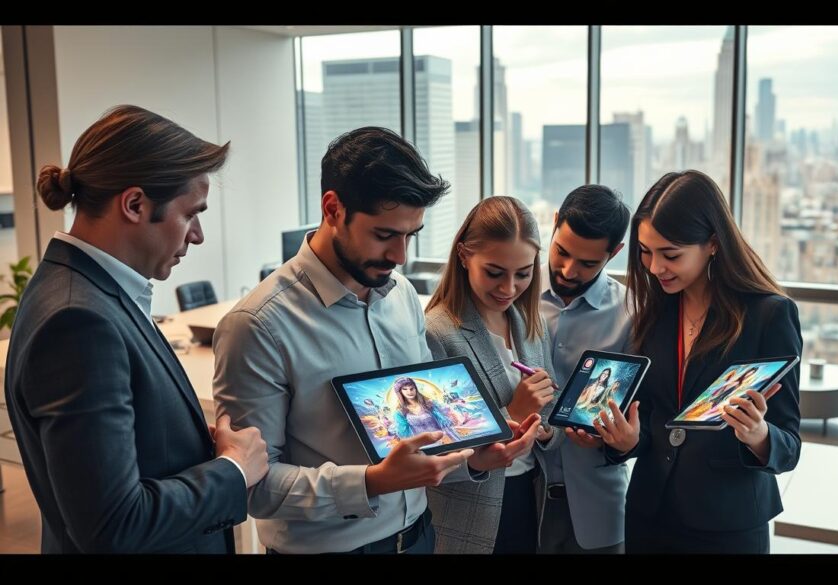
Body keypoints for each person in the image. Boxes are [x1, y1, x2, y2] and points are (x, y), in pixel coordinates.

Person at [4, 105, 268, 553]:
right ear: (134, 204)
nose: (198, 235)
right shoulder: (78, 320)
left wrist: (191, 447)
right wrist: (234, 469)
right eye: (191, 213)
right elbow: (112, 525)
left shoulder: (81, 289)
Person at [213, 127, 484, 554]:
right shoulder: (257, 324)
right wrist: (371, 482)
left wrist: (479, 457)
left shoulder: (404, 298)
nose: (400, 256)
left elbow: (421, 434)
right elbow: (253, 486)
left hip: (419, 537)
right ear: (333, 208)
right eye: (384, 235)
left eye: (410, 235)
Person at [597, 170, 802, 554]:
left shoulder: (770, 315)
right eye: (646, 252)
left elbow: (789, 444)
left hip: (727, 524)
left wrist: (757, 434)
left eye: (670, 255)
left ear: (712, 243)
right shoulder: (655, 310)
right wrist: (626, 441)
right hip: (650, 514)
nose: (655, 267)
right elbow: (657, 420)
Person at [424, 196, 553, 554]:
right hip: (468, 510)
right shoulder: (436, 332)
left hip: (530, 496)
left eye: (523, 274)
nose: (509, 289)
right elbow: (433, 445)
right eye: (494, 273)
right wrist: (511, 414)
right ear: (464, 256)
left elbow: (550, 409)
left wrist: (543, 428)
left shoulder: (529, 322)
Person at [535, 184, 633, 554]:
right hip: (521, 501)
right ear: (556, 222)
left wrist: (617, 439)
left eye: (588, 263)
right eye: (562, 251)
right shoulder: (514, 292)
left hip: (599, 512)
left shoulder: (631, 313)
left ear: (615, 253)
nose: (568, 270)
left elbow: (641, 417)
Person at [391, 377, 460, 442]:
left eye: (412, 388)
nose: (409, 391)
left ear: (416, 389)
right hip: (422, 445)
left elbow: (444, 423)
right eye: (405, 389)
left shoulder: (429, 404)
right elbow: (404, 435)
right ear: (399, 392)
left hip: (441, 439)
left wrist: (455, 441)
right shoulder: (400, 412)